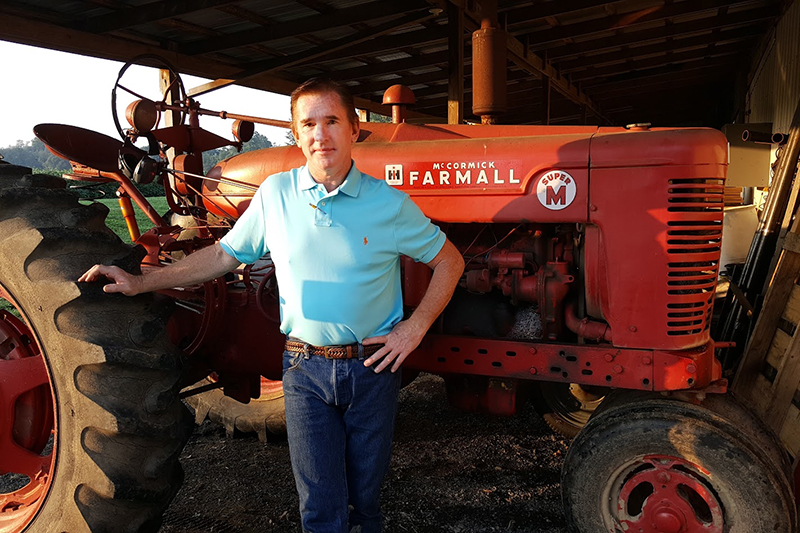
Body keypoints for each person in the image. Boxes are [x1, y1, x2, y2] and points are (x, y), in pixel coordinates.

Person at [79, 77, 465, 533]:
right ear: (296, 134)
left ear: (355, 129)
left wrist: (414, 328)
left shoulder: (389, 204)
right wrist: (144, 281)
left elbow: (449, 261)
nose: (321, 134)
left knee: (366, 502)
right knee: (320, 509)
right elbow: (224, 255)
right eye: (309, 124)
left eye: (332, 121)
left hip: (371, 370)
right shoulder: (275, 195)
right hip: (304, 370)